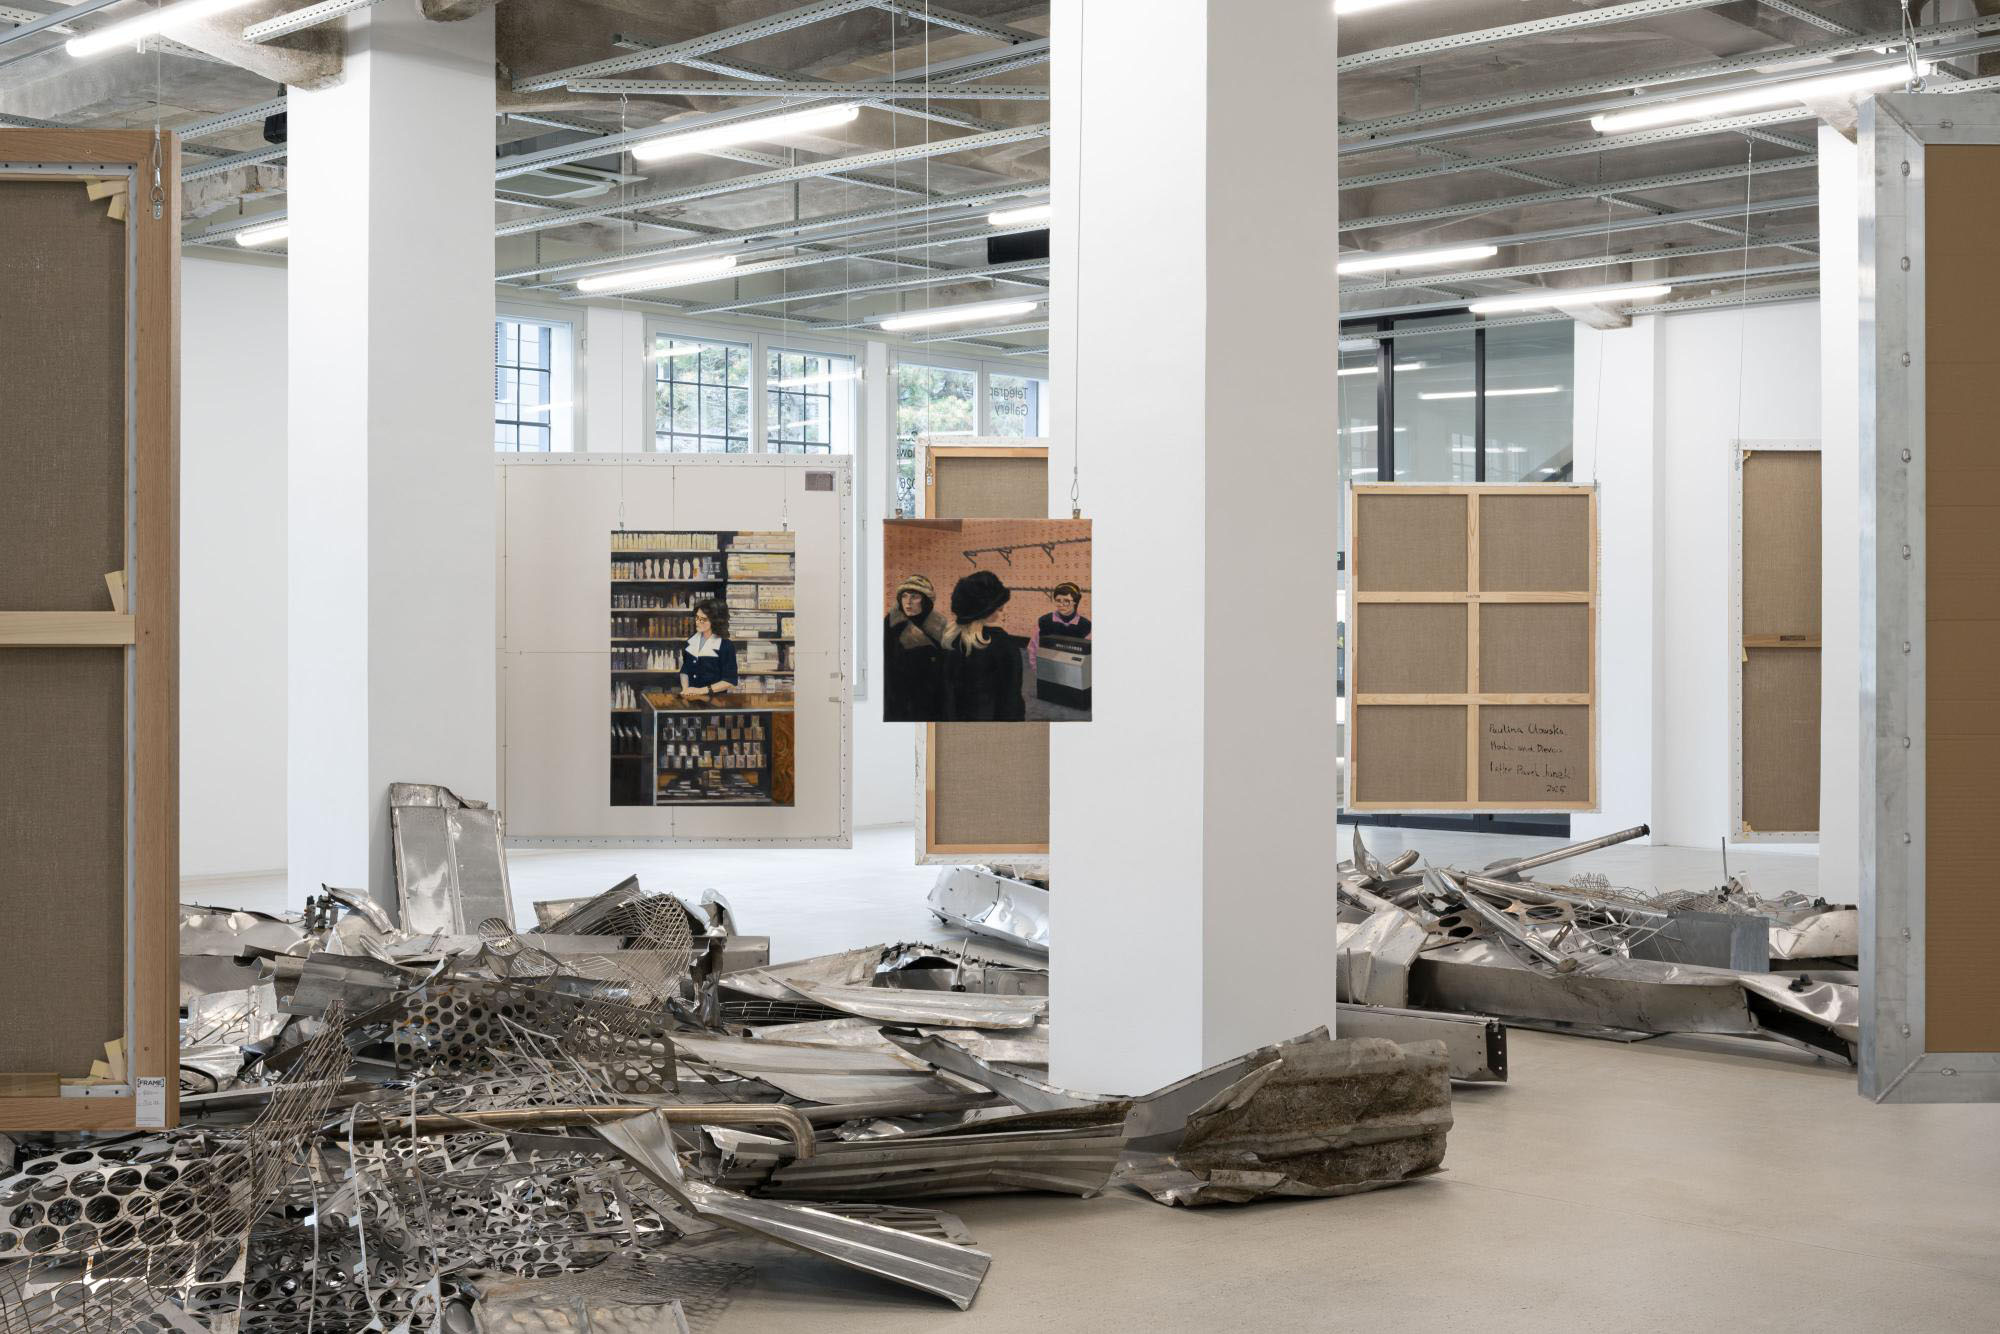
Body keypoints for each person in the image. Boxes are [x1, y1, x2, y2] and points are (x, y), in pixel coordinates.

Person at [941, 570, 1026, 721]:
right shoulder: (1002, 645)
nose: (1001, 609)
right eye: (998, 605)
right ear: (987, 609)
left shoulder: (948, 641)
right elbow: (1011, 701)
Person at [883, 573, 947, 721]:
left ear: (926, 601)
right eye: (904, 596)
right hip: (901, 703)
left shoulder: (940, 627)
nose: (908, 602)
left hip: (934, 702)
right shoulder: (890, 628)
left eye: (914, 597)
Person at [679, 598, 738, 698]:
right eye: (697, 617)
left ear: (715, 621)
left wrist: (701, 691)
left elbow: (730, 681)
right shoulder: (691, 641)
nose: (698, 622)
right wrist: (685, 688)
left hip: (716, 701)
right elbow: (685, 670)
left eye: (703, 619)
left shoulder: (726, 645)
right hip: (691, 698)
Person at [1028, 581, 1091, 670]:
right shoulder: (1044, 621)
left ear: (1075, 602)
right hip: (1048, 669)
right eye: (1058, 601)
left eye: (1066, 601)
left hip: (1075, 673)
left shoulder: (1086, 625)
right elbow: (1033, 648)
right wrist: (1037, 669)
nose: (1061, 605)